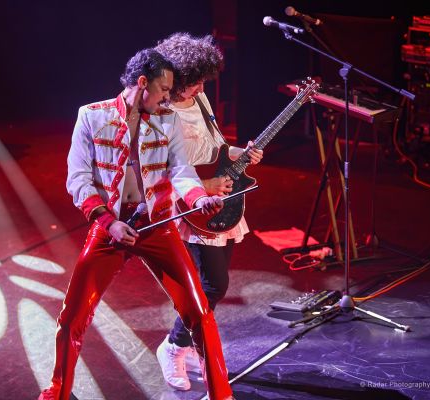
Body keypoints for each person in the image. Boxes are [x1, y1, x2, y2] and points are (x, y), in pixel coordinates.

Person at [37, 48, 235, 400]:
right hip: (110, 227)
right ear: (142, 83)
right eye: (162, 90)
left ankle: (222, 396)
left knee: (199, 311)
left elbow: (180, 170)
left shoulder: (167, 119)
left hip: (157, 225)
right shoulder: (91, 116)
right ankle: (57, 393)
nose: (167, 98)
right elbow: (78, 179)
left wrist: (196, 198)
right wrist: (107, 222)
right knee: (73, 317)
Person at [154, 33, 264, 391]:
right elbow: (162, 169)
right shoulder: (161, 112)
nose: (201, 86)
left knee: (211, 285)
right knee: (211, 284)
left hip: (220, 198)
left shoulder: (198, 97)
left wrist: (237, 153)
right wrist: (204, 187)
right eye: (195, 80)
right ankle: (174, 346)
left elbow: (213, 146)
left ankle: (188, 343)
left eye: (203, 80)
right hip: (187, 205)